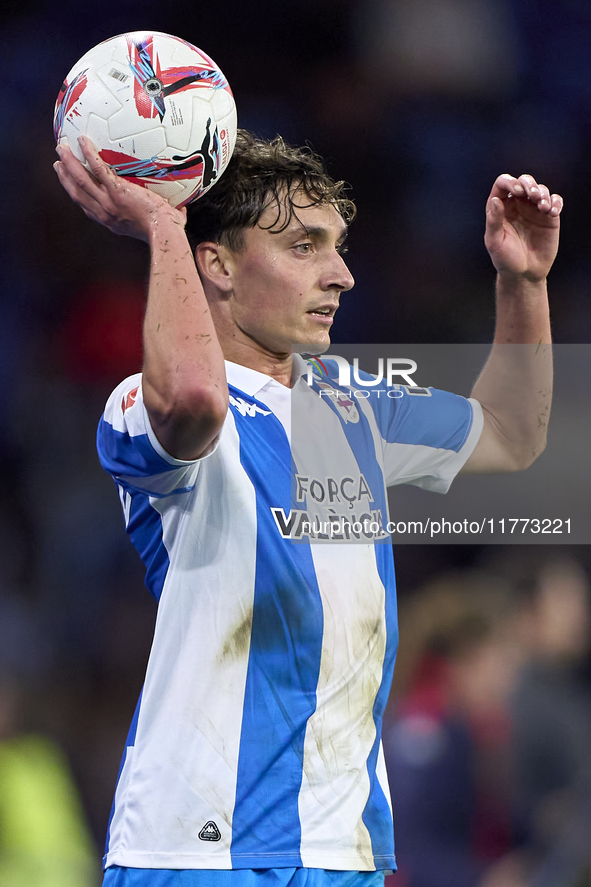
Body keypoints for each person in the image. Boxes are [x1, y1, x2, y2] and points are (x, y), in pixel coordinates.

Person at [53, 127, 562, 887]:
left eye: (338, 245)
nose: (342, 275)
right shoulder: (142, 406)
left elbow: (511, 434)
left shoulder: (355, 406)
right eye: (304, 246)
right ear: (215, 263)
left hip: (342, 845)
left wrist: (521, 285)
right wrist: (164, 222)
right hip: (201, 850)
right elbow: (192, 395)